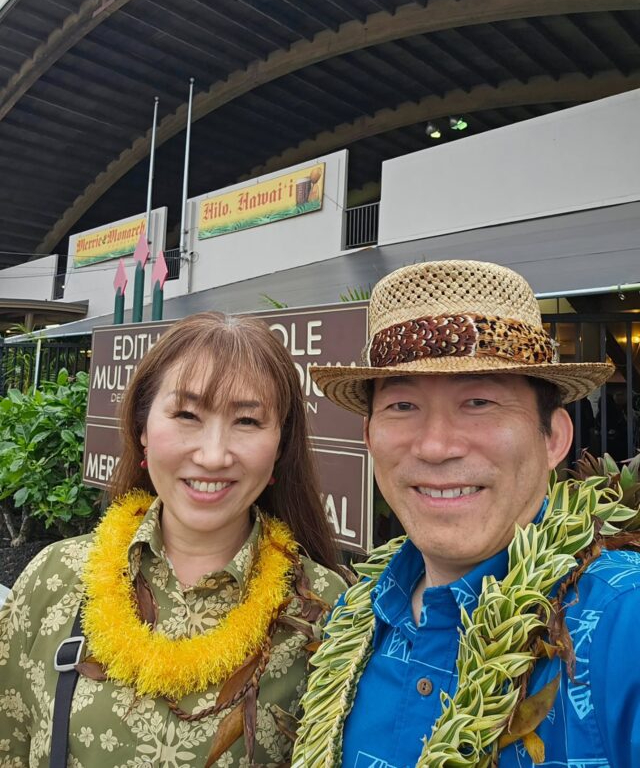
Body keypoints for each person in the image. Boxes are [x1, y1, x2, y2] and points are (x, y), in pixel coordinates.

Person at [292, 260, 640, 768]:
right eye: (402, 406)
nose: (434, 446)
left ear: (555, 438)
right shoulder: (349, 621)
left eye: (478, 400)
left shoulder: (621, 624)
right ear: (369, 439)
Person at [0, 312, 347, 767]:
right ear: (142, 427)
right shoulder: (56, 576)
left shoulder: (326, 612)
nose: (213, 454)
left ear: (280, 444)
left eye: (247, 421)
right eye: (187, 414)